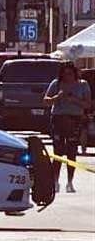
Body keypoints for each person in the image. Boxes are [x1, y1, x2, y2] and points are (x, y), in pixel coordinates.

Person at [43, 62, 91, 193]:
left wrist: (73, 99)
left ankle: (70, 182)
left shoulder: (82, 85)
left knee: (71, 151)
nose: (67, 77)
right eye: (64, 74)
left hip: (75, 119)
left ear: (74, 73)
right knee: (58, 151)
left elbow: (88, 104)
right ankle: (55, 181)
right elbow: (45, 100)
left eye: (69, 74)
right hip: (58, 118)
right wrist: (56, 98)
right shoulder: (56, 84)